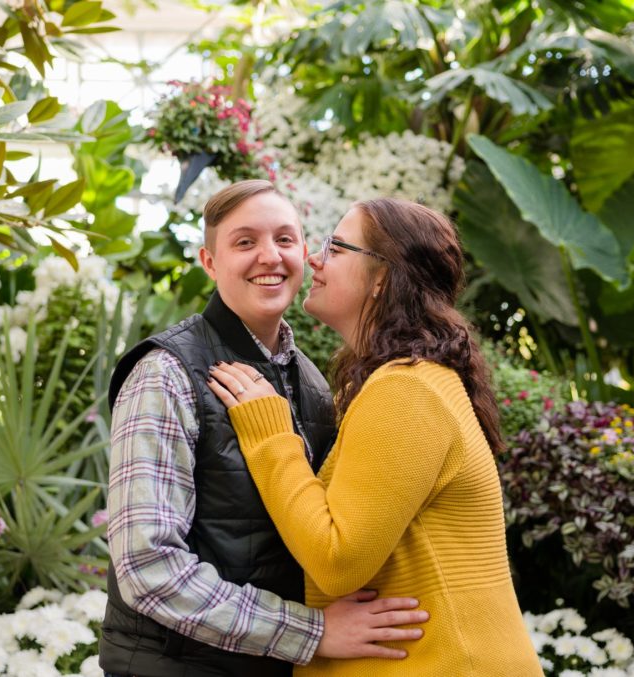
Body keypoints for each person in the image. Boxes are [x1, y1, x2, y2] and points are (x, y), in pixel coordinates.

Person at [99, 181, 429, 677]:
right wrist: (312, 632)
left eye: (285, 239)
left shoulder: (313, 382)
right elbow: (149, 570)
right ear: (209, 263)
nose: (269, 257)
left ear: (304, 253)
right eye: (245, 242)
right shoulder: (165, 372)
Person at [206, 198, 543, 675]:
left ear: (383, 277)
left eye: (337, 248)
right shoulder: (403, 382)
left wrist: (271, 435)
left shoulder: (406, 389)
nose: (313, 259)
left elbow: (337, 559)